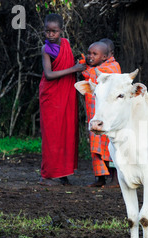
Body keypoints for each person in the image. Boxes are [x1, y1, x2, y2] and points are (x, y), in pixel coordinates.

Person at [38, 13, 85, 186]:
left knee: (66, 131)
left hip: (66, 93)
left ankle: (62, 173)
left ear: (61, 31)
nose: (50, 35)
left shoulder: (66, 44)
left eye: (54, 31)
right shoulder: (46, 49)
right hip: (51, 95)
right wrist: (74, 69)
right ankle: (48, 175)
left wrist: (79, 66)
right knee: (52, 134)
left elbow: (69, 65)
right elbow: (49, 75)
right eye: (47, 31)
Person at [81, 40, 121, 188]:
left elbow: (95, 75)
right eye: (89, 53)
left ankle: (116, 180)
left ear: (105, 56)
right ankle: (100, 179)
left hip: (108, 118)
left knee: (110, 145)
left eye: (94, 54)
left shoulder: (112, 67)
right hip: (95, 116)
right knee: (96, 146)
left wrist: (82, 68)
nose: (90, 56)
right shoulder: (96, 67)